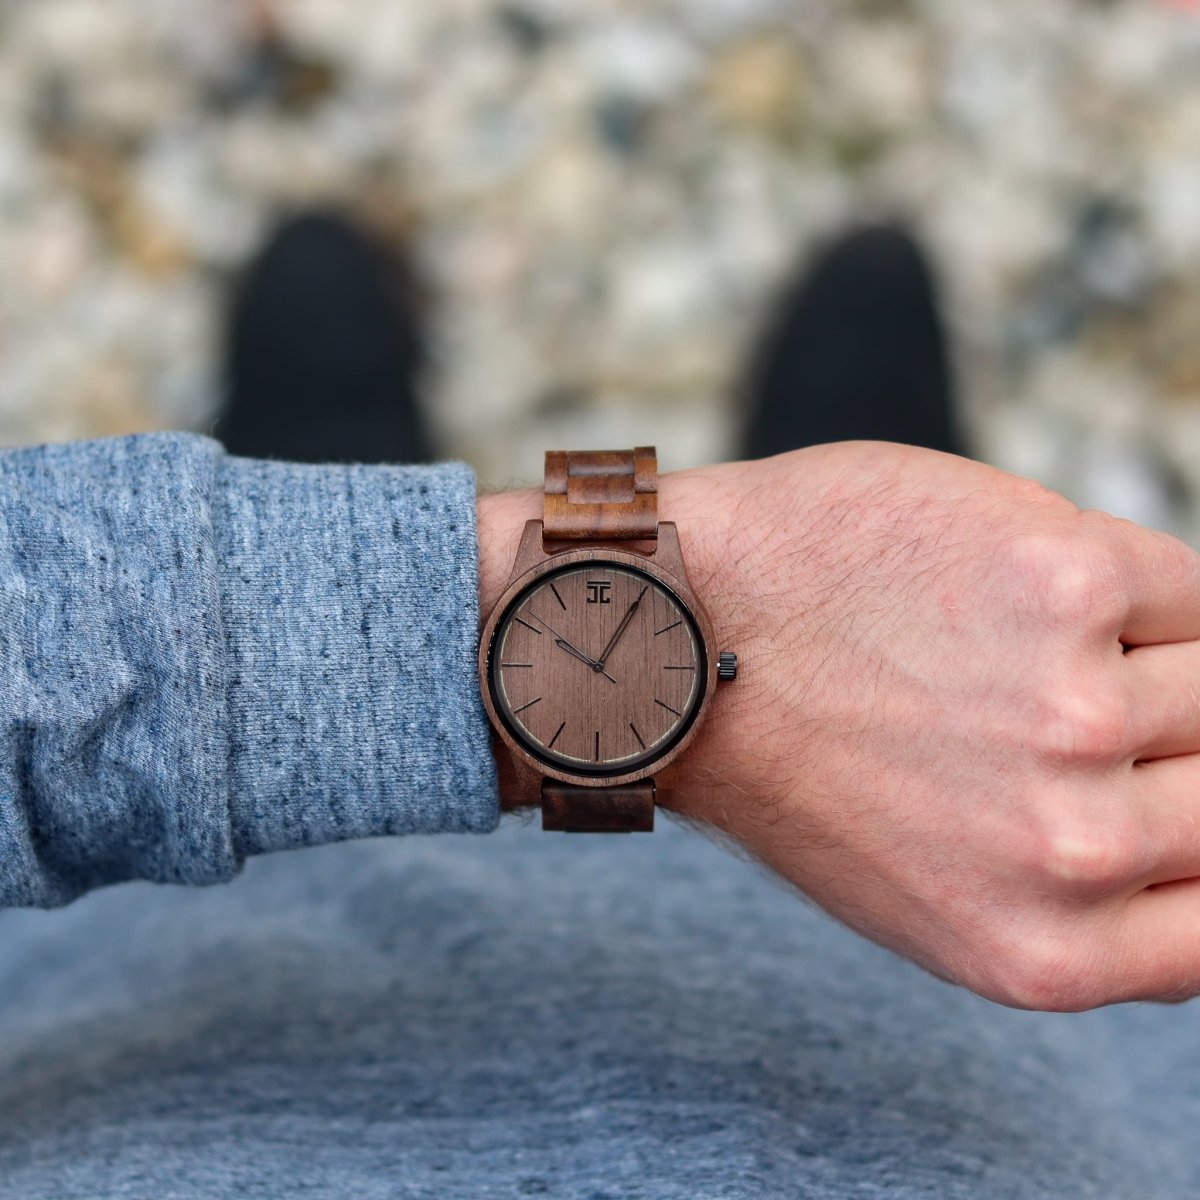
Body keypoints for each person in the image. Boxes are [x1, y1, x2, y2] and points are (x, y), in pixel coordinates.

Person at [0, 213, 1197, 1198]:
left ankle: (312, 493)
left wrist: (331, 624)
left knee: (295, 512)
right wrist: (761, 607)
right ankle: (906, 553)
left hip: (170, 985)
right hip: (985, 1079)